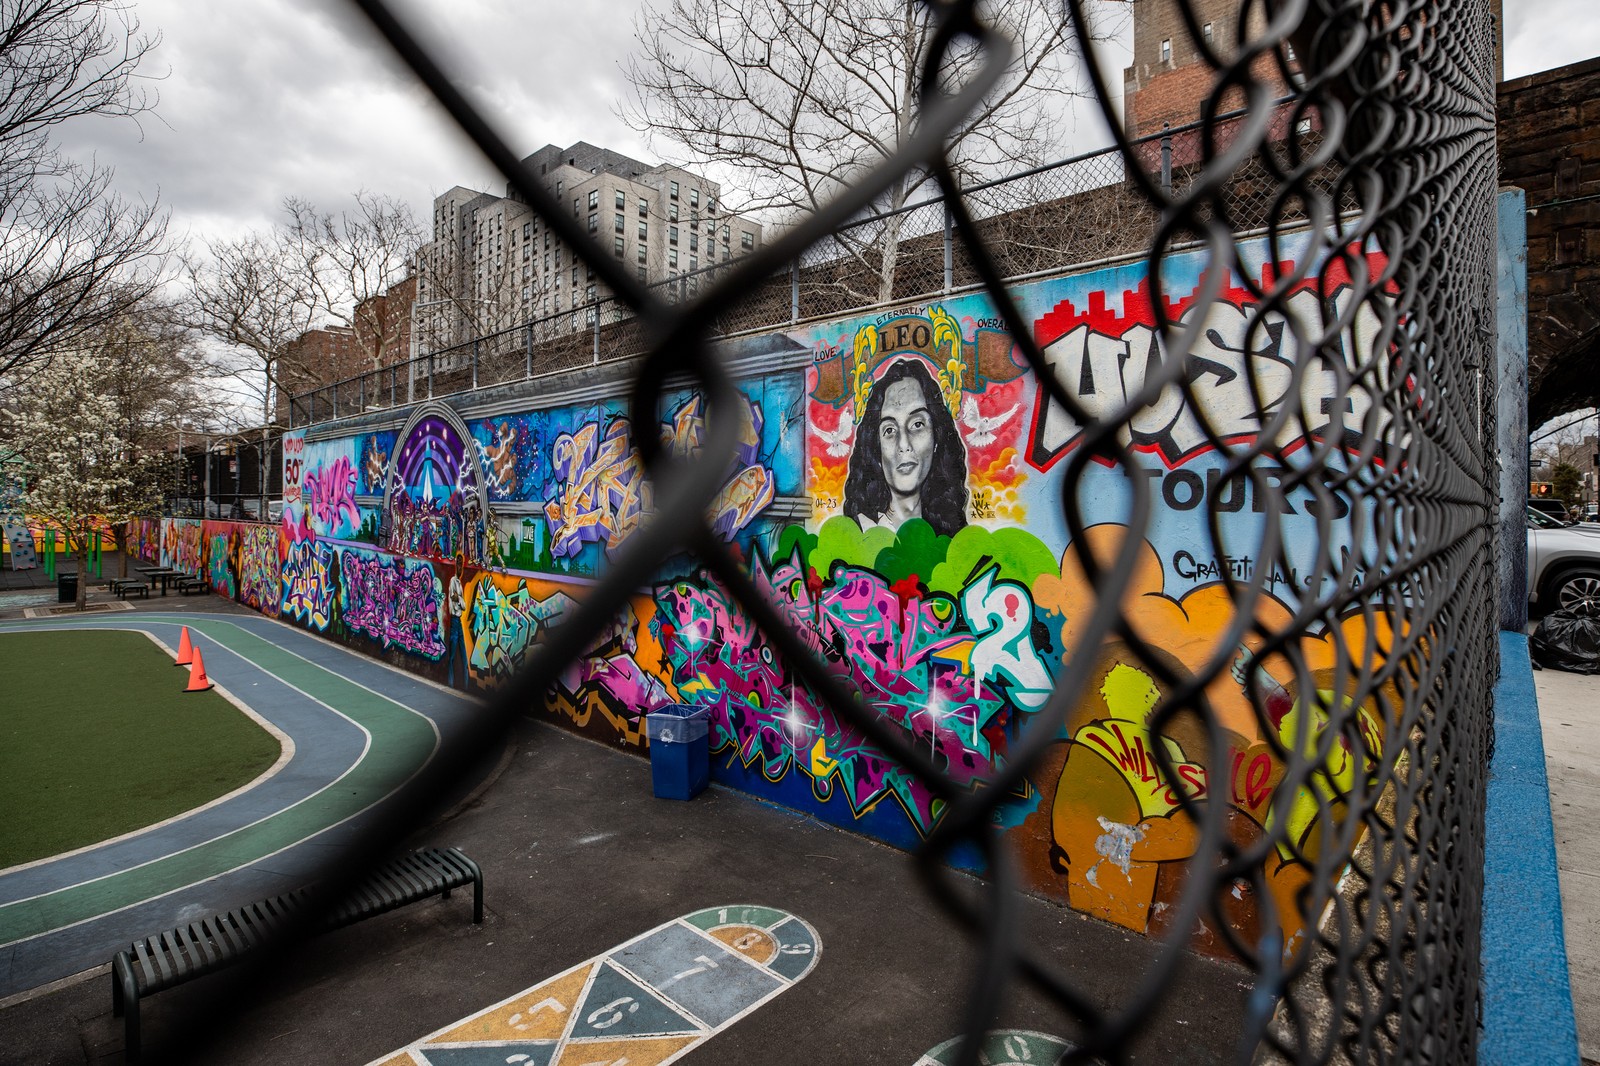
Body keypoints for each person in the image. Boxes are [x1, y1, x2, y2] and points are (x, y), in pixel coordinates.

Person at [842, 358, 968, 536]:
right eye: (890, 430)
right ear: (876, 449)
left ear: (936, 439)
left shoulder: (952, 537)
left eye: (917, 425)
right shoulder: (861, 533)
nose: (903, 444)